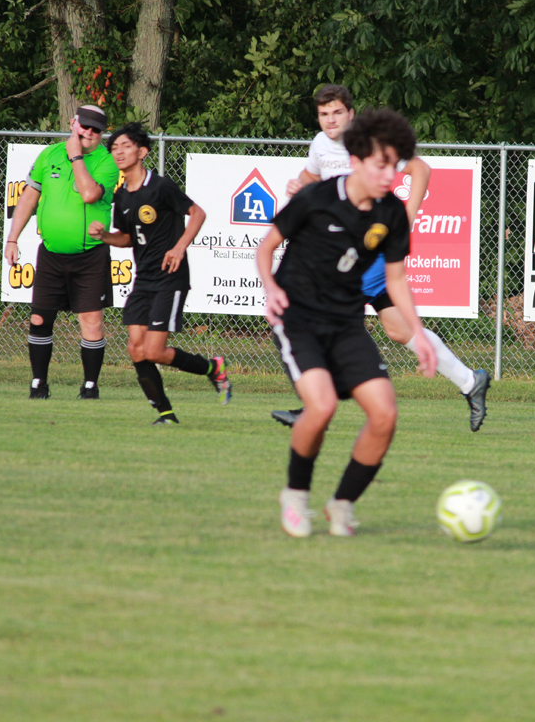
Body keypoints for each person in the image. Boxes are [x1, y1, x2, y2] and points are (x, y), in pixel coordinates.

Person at [256, 108, 437, 537]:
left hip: (345, 324)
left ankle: (342, 505)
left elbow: (396, 278)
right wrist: (270, 288)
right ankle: (295, 495)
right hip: (297, 317)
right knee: (321, 407)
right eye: (381, 165)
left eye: (394, 166)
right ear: (356, 160)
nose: (389, 175)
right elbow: (267, 247)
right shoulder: (315, 198)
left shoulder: (390, 213)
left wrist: (420, 334)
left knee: (385, 414)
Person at [270, 84, 491, 431]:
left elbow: (421, 170)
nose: (330, 120)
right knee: (398, 329)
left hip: (367, 248)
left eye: (337, 113)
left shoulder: (370, 143)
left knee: (328, 311)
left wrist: (406, 219)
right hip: (345, 247)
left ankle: (312, 404)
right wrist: (297, 184)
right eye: (324, 114)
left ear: (351, 114)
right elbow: (312, 176)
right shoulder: (319, 144)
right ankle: (470, 382)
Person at [88, 122, 232, 424]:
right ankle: (165, 414)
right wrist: (105, 237)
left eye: (125, 146)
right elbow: (127, 238)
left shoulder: (161, 187)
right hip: (144, 280)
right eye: (114, 147)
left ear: (142, 152)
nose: (119, 152)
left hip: (170, 277)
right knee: (136, 349)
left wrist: (179, 247)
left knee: (153, 350)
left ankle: (213, 369)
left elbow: (198, 213)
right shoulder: (123, 197)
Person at [5, 104, 119, 399]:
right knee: (40, 319)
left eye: (96, 130)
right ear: (73, 123)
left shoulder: (106, 162)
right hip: (52, 255)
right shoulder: (49, 155)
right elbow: (29, 197)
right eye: (85, 126)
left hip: (89, 256)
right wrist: (12, 238)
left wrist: (76, 156)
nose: (89, 133)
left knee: (91, 322)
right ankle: (38, 383)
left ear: (102, 134)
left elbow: (90, 194)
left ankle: (90, 386)